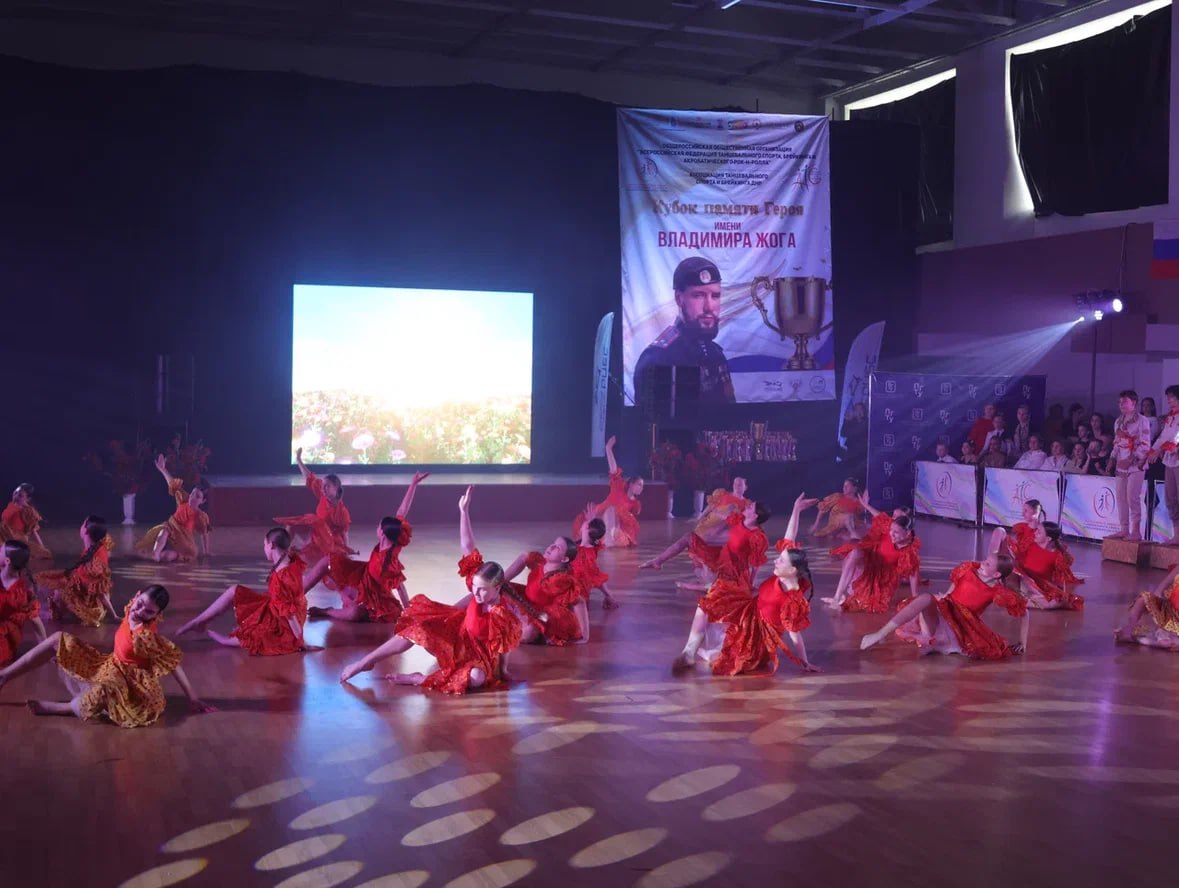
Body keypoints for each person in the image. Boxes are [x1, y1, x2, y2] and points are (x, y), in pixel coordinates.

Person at [339, 488, 528, 694]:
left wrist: (504, 671)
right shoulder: (479, 582)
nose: (476, 594)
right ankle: (365, 662)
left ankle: (419, 679)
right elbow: (467, 545)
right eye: (474, 587)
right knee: (417, 628)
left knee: (476, 678)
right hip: (458, 634)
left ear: (497, 588)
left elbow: (504, 647)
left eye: (482, 590)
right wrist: (463, 512)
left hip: (478, 655)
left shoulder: (503, 614)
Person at [0, 585, 214, 726]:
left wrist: (192, 697)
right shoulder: (131, 608)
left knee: (105, 689)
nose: (139, 611)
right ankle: (4, 675)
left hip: (132, 685)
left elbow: (174, 664)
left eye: (149, 612)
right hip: (111, 664)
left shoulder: (145, 637)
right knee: (58, 639)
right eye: (140, 604)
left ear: (157, 615)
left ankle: (65, 708)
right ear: (137, 595)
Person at [672, 493, 818, 675]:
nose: (775, 561)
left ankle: (704, 652)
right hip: (748, 612)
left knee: (721, 658)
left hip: (754, 638)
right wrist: (796, 509)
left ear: (792, 570)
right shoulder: (785, 573)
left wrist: (804, 662)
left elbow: (794, 633)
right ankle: (688, 653)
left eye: (781, 561)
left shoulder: (792, 600)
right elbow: (790, 536)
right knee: (706, 607)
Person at [174, 527, 329, 654]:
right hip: (278, 607)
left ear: (271, 545)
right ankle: (199, 621)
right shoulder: (289, 559)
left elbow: (289, 615)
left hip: (284, 621)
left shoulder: (281, 577)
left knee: (257, 633)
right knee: (235, 591)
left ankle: (223, 638)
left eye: (264, 545)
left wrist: (301, 643)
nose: (264, 549)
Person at [310, 472, 429, 623]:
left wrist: (407, 612)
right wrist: (413, 484)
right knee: (334, 565)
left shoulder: (387, 562)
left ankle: (327, 612)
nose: (377, 528)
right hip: (363, 580)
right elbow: (402, 512)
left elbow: (400, 587)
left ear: (383, 534)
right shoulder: (394, 539)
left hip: (376, 598)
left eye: (379, 526)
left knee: (354, 613)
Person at [859, 553, 1028, 660]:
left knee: (927, 602)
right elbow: (956, 582)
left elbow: (1025, 612)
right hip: (943, 611)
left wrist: (1022, 642)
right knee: (925, 598)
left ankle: (931, 643)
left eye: (988, 564)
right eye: (985, 560)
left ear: (997, 574)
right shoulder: (968, 569)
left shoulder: (998, 592)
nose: (982, 563)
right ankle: (881, 633)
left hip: (958, 627)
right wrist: (946, 596)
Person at [634, 256, 735, 406]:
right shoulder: (658, 360)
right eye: (698, 295)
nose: (709, 307)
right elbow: (653, 421)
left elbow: (729, 414)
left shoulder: (716, 354)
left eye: (715, 296)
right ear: (679, 299)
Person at [640, 477, 750, 579]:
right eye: (735, 484)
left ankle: (659, 561)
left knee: (691, 542)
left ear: (745, 487)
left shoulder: (745, 504)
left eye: (740, 484)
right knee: (690, 541)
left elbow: (736, 521)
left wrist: (720, 516)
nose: (737, 486)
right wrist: (699, 517)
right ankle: (659, 561)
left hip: (719, 532)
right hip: (707, 526)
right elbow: (711, 506)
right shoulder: (723, 495)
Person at [821, 501, 920, 614]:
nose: (891, 534)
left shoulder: (911, 551)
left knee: (862, 601)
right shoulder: (890, 524)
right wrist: (865, 504)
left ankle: (856, 589)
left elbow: (913, 573)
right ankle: (837, 596)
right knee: (855, 552)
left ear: (907, 533)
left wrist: (915, 596)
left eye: (896, 532)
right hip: (870, 561)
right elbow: (879, 515)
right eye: (891, 530)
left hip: (882, 576)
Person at [274, 447, 354, 564]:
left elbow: (344, 533)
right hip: (315, 534)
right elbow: (309, 477)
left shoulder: (342, 511)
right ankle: (282, 554)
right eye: (323, 485)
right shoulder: (323, 494)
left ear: (336, 488)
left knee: (305, 560)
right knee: (292, 525)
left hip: (328, 542)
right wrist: (299, 460)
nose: (323, 488)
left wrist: (346, 551)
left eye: (327, 486)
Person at [35, 516, 117, 627]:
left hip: (88, 605)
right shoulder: (95, 547)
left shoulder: (95, 563)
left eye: (83, 524)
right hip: (80, 586)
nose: (81, 527)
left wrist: (114, 616)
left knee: (57, 590)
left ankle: (59, 613)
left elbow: (101, 592)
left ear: (86, 531)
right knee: (46, 579)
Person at [134, 455, 211, 562]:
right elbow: (172, 483)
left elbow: (204, 534)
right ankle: (155, 554)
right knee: (164, 531)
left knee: (168, 556)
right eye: (193, 494)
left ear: (202, 501)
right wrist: (163, 469)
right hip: (171, 530)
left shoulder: (201, 515)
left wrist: (206, 552)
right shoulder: (183, 498)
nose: (193, 498)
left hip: (184, 542)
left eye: (197, 497)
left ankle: (158, 555)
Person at [995, 520, 1083, 610]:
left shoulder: (1058, 556)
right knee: (1000, 534)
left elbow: (1062, 579)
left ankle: (1018, 599)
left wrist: (1062, 596)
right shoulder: (1030, 543)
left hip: (1037, 588)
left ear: (1048, 538)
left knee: (1053, 602)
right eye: (1036, 530)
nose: (1035, 533)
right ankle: (1014, 595)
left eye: (1039, 532)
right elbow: (1015, 553)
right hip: (1020, 580)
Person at [573, 435, 643, 547]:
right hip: (602, 517)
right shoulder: (618, 487)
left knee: (614, 524)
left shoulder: (635, 504)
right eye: (639, 484)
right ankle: (603, 538)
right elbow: (613, 469)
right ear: (631, 484)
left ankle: (609, 538)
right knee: (610, 511)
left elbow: (628, 521)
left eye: (642, 486)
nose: (641, 488)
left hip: (617, 527)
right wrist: (608, 449)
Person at [1108, 390, 1152, 540]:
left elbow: (1145, 444)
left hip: (1136, 465)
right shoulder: (1118, 421)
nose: (1121, 404)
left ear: (1133, 403)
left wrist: (1131, 459)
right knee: (1121, 497)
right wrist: (1112, 458)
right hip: (1121, 464)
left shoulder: (1142, 420)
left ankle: (1136, 531)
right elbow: (1117, 443)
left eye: (1124, 401)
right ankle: (1124, 529)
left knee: (1132, 497)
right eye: (1120, 402)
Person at [0, 541, 46, 666]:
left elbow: (35, 621)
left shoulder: (21, 593)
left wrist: (45, 646)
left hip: (4, 637)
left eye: (0, 551)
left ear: (7, 561)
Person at [1114, 563, 1179, 649]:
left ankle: (1152, 640)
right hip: (1169, 610)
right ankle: (1128, 630)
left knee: (1168, 642)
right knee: (1143, 599)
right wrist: (1159, 591)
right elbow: (1166, 583)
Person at [1147, 385, 1179, 544]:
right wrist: (1151, 451)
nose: (1168, 400)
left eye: (1171, 397)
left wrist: (1161, 450)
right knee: (1171, 498)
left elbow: (1177, 438)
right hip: (1169, 462)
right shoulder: (1170, 417)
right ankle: (1177, 535)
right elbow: (1163, 437)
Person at [572, 512, 619, 610]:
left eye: (584, 524)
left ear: (587, 529)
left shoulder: (583, 553)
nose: (582, 525)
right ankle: (610, 598)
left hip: (576, 596)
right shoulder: (592, 547)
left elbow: (594, 576)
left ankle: (610, 598)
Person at [0, 483, 52, 560]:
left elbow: (33, 531)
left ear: (28, 499)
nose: (16, 496)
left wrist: (42, 547)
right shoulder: (11, 505)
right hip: (4, 534)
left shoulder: (28, 511)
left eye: (20, 496)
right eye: (15, 492)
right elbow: (5, 520)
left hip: (17, 539)